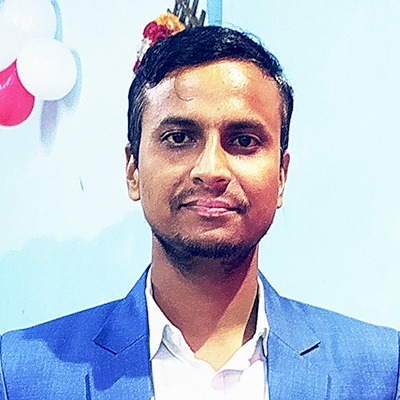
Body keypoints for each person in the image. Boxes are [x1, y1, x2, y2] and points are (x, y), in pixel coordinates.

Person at [0, 25, 399, 400]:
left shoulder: (380, 370)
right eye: (179, 138)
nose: (211, 169)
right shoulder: (20, 375)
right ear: (133, 170)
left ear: (281, 175)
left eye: (243, 140)